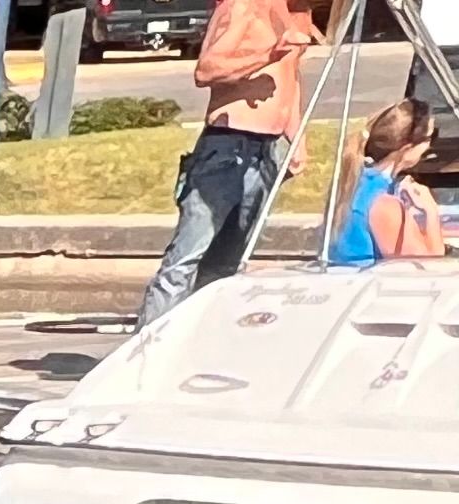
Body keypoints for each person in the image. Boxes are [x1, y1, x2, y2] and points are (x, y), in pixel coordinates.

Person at [139, 0, 317, 322]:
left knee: (226, 264)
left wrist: (297, 136)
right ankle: (146, 349)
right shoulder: (241, 6)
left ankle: (200, 339)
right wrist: (263, 57)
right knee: (185, 259)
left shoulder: (296, 12)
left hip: (266, 149)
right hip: (227, 144)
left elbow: (290, 76)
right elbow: (207, 69)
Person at [334, 100, 449, 266]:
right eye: (431, 136)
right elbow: (429, 268)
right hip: (366, 289)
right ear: (407, 148)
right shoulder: (384, 205)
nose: (431, 145)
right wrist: (430, 210)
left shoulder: (354, 181)